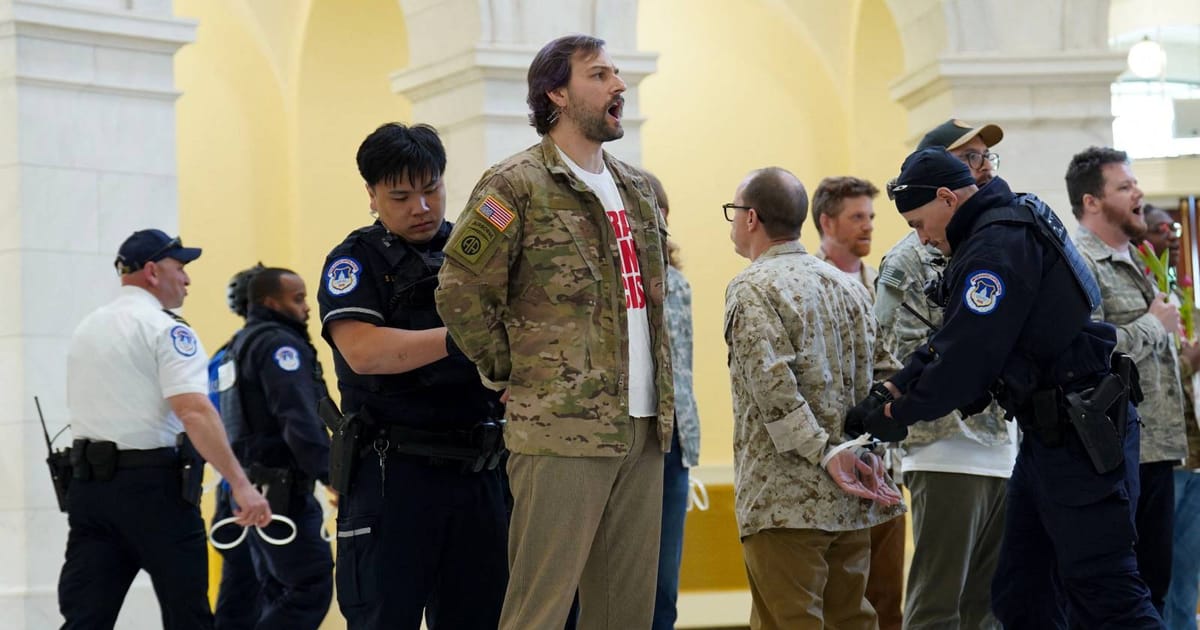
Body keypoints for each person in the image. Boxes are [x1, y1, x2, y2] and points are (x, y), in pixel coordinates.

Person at [848, 148, 1164, 627]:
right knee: (1020, 592)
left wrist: (899, 413)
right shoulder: (997, 229)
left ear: (947, 198)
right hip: (1049, 437)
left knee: (1107, 591)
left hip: (1081, 437)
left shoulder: (996, 246)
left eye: (919, 224)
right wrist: (894, 387)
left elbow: (967, 360)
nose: (923, 237)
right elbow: (952, 339)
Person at [435, 34, 675, 630]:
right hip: (559, 428)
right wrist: (508, 371)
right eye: (599, 75)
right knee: (539, 611)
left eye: (616, 73)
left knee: (627, 616)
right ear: (557, 95)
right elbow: (459, 290)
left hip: (644, 427)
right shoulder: (513, 185)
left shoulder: (637, 190)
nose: (618, 84)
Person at [317, 122, 508, 629]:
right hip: (394, 475)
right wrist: (464, 337)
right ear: (372, 195)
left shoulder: (474, 250)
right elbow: (364, 352)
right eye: (400, 197)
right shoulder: (354, 261)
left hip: (481, 474)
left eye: (431, 190)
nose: (421, 208)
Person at [59, 229, 271, 629]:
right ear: (153, 271)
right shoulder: (166, 329)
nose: (187, 279)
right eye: (181, 267)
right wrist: (240, 485)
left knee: (85, 618)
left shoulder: (88, 326)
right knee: (187, 617)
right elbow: (195, 411)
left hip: (89, 490)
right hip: (154, 491)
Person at [724, 166, 904, 630]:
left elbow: (773, 388)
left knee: (789, 622)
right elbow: (887, 378)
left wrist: (824, 454)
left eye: (733, 212)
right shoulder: (849, 286)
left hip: (784, 500)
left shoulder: (752, 286)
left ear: (751, 218)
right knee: (852, 621)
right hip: (851, 496)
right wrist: (865, 452)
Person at [874, 119, 1015, 630]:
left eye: (986, 157)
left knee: (990, 609)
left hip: (1002, 447)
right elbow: (895, 351)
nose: (984, 167)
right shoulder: (912, 257)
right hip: (946, 447)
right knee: (938, 607)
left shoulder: (994, 240)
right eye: (970, 158)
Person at [1068, 146, 1187, 615]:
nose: (1138, 193)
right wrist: (1154, 325)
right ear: (1092, 201)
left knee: (1154, 588)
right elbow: (1086, 350)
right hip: (1115, 453)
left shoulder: (1137, 259)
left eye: (1135, 183)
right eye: (1125, 186)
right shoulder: (1080, 262)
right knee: (1115, 593)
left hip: (1157, 447)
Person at [810, 174, 906, 630]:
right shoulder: (805, 285)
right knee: (833, 598)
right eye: (856, 217)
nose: (868, 226)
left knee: (887, 592)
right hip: (828, 464)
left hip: (884, 462)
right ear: (826, 222)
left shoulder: (885, 285)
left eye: (870, 216)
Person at [218, 267, 333, 629]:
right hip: (280, 493)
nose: (307, 307)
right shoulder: (279, 346)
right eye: (298, 299)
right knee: (309, 586)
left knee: (266, 592)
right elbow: (298, 419)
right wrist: (334, 476)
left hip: (247, 488)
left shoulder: (235, 347)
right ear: (270, 302)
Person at [642, 170, 701, 630]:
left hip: (674, 441)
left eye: (659, 213)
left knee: (664, 584)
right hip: (628, 436)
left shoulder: (678, 285)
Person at [209, 263, 265, 630]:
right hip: (260, 493)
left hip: (229, 490)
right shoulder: (266, 350)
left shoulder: (222, 356)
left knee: (239, 593)